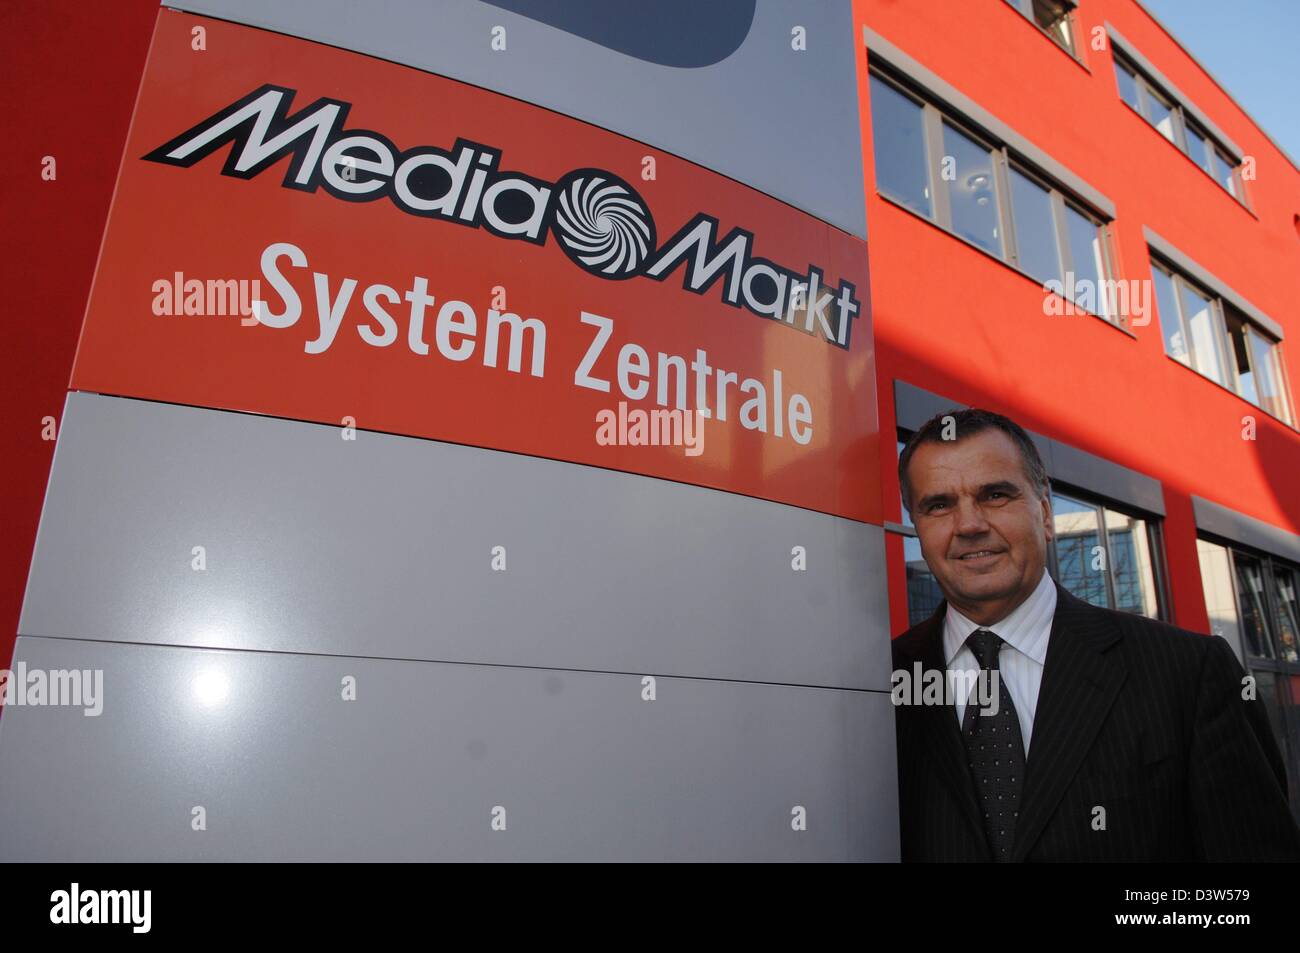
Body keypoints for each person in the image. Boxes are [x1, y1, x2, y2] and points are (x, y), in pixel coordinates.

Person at [892, 407, 1300, 861]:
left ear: (1045, 515)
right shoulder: (877, 683)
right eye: (939, 505)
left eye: (995, 495)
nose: (968, 525)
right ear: (917, 527)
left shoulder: (1188, 673)